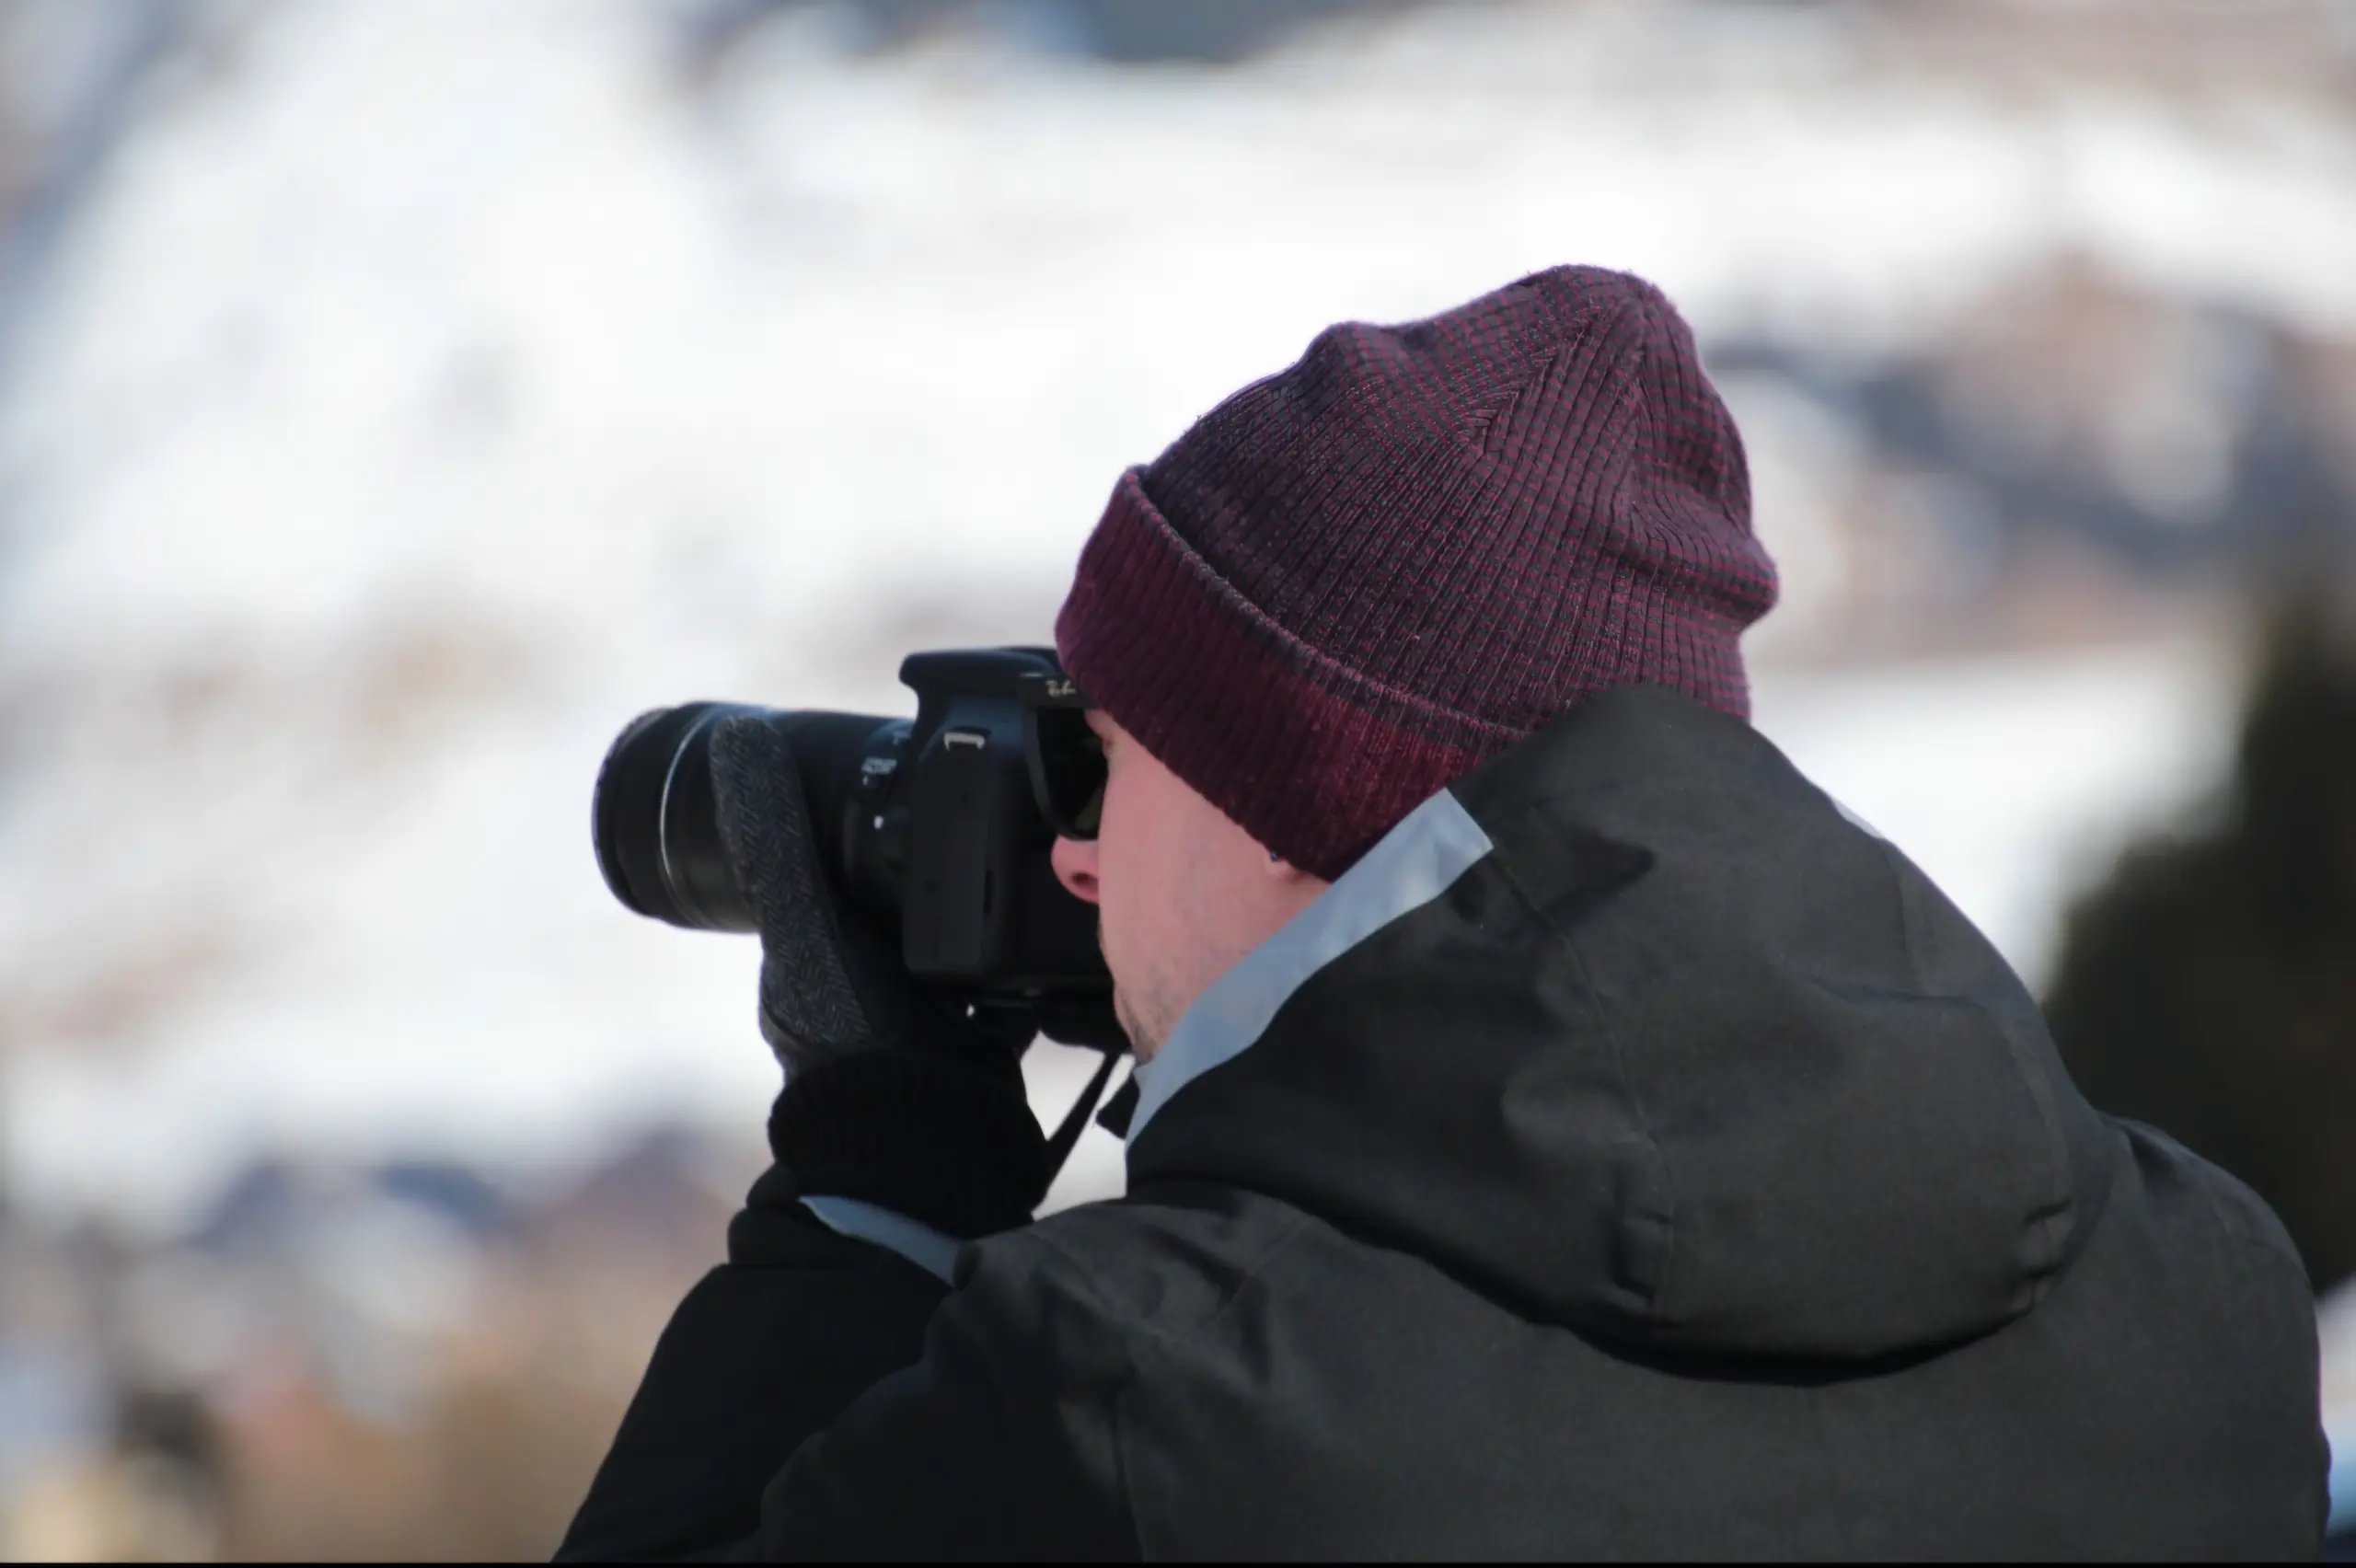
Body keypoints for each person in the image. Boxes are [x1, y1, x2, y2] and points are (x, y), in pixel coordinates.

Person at [556, 266, 2327, 1560]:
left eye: (1107, 764)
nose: (1075, 861)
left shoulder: (1128, 1405)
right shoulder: (2208, 1302)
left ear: (1290, 811)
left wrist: (872, 1199)